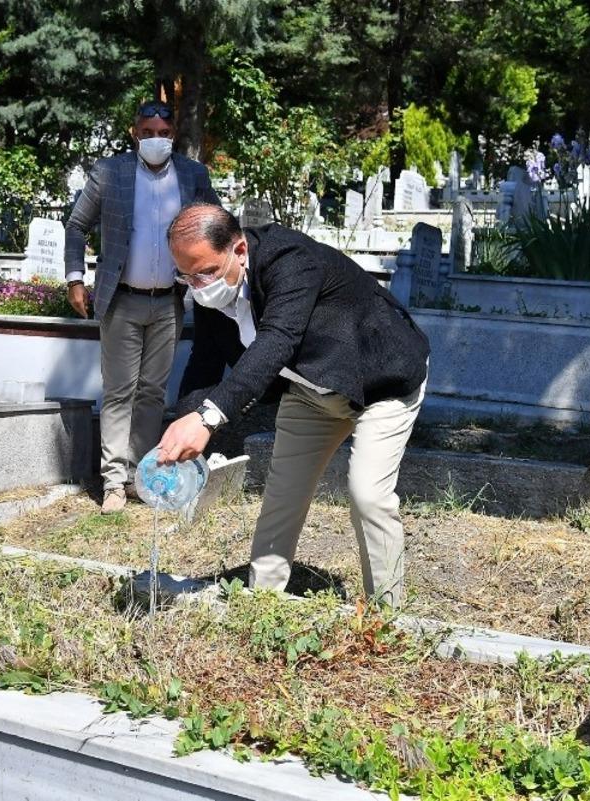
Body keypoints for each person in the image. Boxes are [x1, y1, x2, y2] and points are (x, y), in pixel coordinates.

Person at [157, 203, 430, 607]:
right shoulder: (210, 290)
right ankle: (262, 600)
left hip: (380, 379)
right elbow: (204, 361)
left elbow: (277, 340)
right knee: (283, 492)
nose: (197, 286)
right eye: (187, 276)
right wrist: (181, 425)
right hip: (310, 390)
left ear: (240, 250)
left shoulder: (290, 259)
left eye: (207, 272)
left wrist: (209, 418)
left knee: (367, 493)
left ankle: (388, 613)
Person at [64, 101, 220, 513]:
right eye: (148, 132)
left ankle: (140, 477)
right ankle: (113, 482)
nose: (156, 140)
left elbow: (217, 224)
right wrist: (75, 277)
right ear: (135, 133)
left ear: (174, 137)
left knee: (152, 392)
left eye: (164, 134)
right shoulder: (110, 173)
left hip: (168, 301)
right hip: (121, 299)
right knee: (118, 392)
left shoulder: (192, 175)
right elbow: (77, 224)